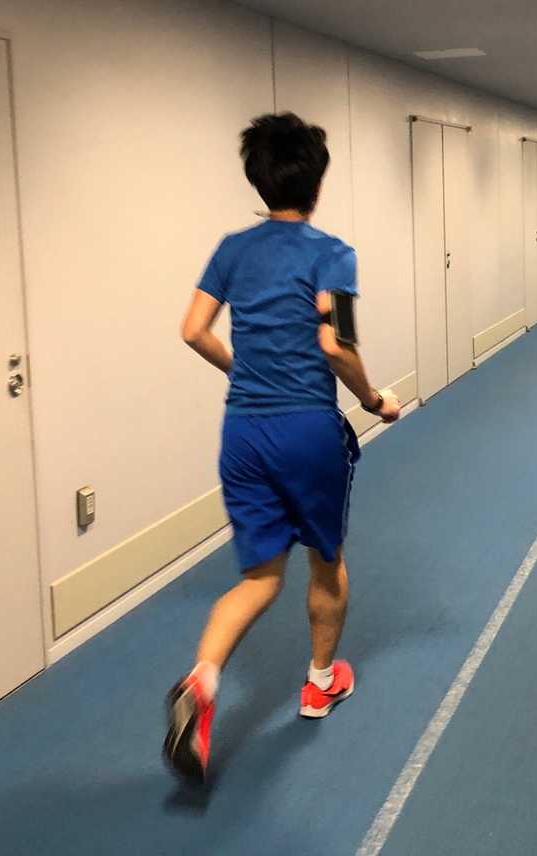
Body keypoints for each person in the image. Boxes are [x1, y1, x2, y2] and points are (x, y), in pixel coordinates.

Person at [163, 112, 401, 784]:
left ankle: (202, 680)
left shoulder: (232, 249)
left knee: (258, 578)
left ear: (258, 180)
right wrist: (372, 399)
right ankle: (320, 683)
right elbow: (336, 345)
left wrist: (242, 370)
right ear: (317, 182)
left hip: (243, 431)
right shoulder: (333, 253)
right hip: (306, 430)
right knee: (325, 561)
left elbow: (193, 330)